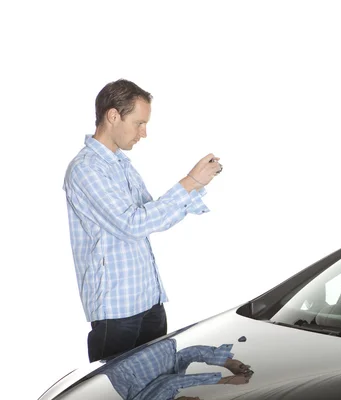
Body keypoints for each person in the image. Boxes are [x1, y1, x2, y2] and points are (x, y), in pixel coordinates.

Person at [63, 79, 223, 363]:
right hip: (117, 309)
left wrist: (194, 186)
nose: (144, 133)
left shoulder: (121, 164)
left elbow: (151, 215)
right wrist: (188, 183)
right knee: (111, 393)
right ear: (113, 116)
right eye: (139, 123)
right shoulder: (86, 168)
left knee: (157, 385)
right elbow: (133, 224)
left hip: (149, 299)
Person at [101, 339, 253, 400]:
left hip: (123, 352)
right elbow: (186, 355)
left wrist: (226, 380)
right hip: (148, 341)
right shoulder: (170, 395)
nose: (198, 399)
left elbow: (169, 382)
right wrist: (227, 362)